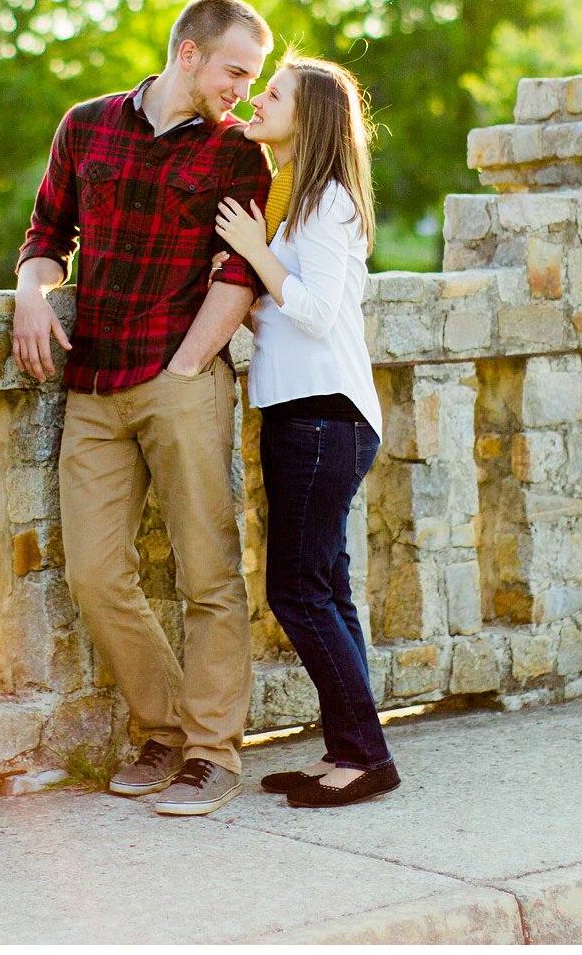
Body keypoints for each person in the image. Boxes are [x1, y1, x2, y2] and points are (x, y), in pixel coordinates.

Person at [11, 0, 274, 817]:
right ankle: (160, 729)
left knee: (208, 573)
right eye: (235, 70)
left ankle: (210, 753)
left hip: (181, 380)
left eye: (254, 76)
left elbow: (238, 276)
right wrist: (30, 294)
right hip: (92, 383)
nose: (242, 89)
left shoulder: (239, 158)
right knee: (94, 574)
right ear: (189, 54)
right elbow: (47, 233)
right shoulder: (86, 125)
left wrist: (188, 366)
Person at [210, 56, 397, 808]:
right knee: (326, 589)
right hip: (308, 411)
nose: (258, 98)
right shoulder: (295, 201)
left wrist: (254, 254)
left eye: (274, 92)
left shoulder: (327, 205)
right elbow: (288, 311)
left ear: (310, 117)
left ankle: (367, 757)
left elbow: (316, 312)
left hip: (325, 416)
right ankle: (350, 750)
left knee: (296, 592)